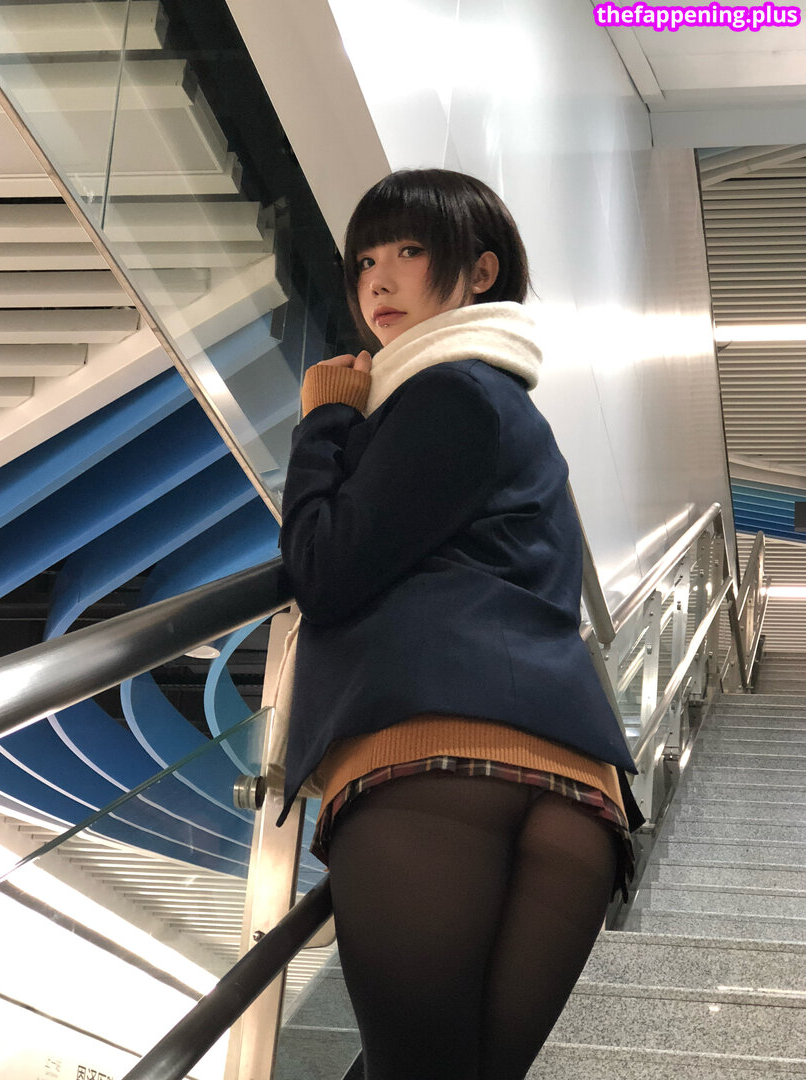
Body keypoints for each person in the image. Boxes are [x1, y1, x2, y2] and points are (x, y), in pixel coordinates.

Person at [275, 167, 643, 1080]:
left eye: (409, 251)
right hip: (575, 788)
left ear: (481, 272)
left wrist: (323, 421)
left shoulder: (446, 394)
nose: (380, 281)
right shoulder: (514, 412)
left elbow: (324, 569)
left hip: (432, 761)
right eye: (365, 261)